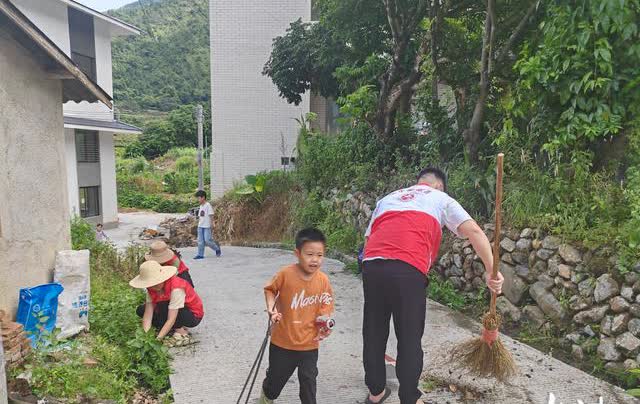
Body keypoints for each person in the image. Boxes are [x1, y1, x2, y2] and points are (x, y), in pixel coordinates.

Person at [361, 167, 505, 404]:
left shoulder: (387, 199)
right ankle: (409, 398)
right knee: (408, 336)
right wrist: (492, 271)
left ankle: (375, 393)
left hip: (373, 264)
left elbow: (368, 240)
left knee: (374, 331)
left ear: (418, 182)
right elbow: (475, 231)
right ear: (439, 185)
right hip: (408, 268)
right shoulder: (440, 198)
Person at [259, 228, 335, 404]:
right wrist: (272, 310)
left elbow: (326, 304)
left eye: (320, 255)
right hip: (283, 342)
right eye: (309, 254)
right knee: (275, 383)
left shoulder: (323, 280)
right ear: (297, 253)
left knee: (309, 383)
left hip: (309, 343)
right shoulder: (285, 274)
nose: (315, 259)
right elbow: (270, 290)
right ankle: (266, 396)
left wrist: (324, 322)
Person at [130, 261, 204, 346]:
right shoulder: (151, 289)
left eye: (155, 283)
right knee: (141, 310)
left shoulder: (176, 288)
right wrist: (146, 336)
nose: (153, 286)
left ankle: (180, 331)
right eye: (150, 284)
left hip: (191, 315)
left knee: (164, 305)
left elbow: (171, 318)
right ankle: (168, 328)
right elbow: (148, 315)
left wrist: (158, 339)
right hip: (170, 309)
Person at [193, 190, 222, 259]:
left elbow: (211, 215)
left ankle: (217, 248)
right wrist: (198, 223)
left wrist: (212, 223)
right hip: (200, 226)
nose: (198, 199)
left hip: (207, 226)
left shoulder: (208, 205)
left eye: (199, 198)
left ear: (203, 197)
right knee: (200, 241)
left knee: (207, 240)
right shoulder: (201, 206)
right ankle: (200, 255)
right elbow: (200, 216)